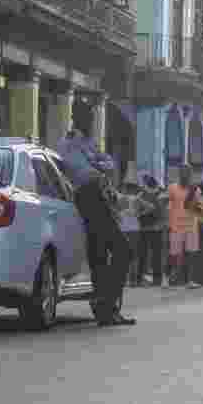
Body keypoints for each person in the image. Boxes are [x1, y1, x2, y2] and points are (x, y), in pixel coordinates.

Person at [55, 130, 134, 326]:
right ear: (75, 116)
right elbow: (87, 172)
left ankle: (107, 309)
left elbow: (109, 164)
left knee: (101, 255)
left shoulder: (88, 143)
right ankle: (106, 304)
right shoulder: (67, 145)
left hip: (99, 196)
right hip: (88, 197)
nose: (90, 121)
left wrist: (98, 164)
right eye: (86, 115)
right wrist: (98, 165)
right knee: (122, 250)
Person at [167, 166, 201, 288]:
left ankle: (190, 280)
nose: (185, 175)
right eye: (182, 172)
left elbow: (198, 208)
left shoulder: (195, 189)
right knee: (175, 254)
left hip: (191, 225)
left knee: (192, 254)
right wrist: (168, 223)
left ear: (191, 174)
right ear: (179, 173)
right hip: (176, 225)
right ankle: (174, 276)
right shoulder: (172, 188)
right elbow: (169, 206)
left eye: (187, 173)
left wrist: (196, 206)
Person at [138, 176, 168, 287]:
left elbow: (139, 209)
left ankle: (140, 277)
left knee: (144, 254)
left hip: (146, 227)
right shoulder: (160, 192)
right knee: (155, 255)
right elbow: (163, 210)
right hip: (156, 227)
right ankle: (156, 278)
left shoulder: (142, 193)